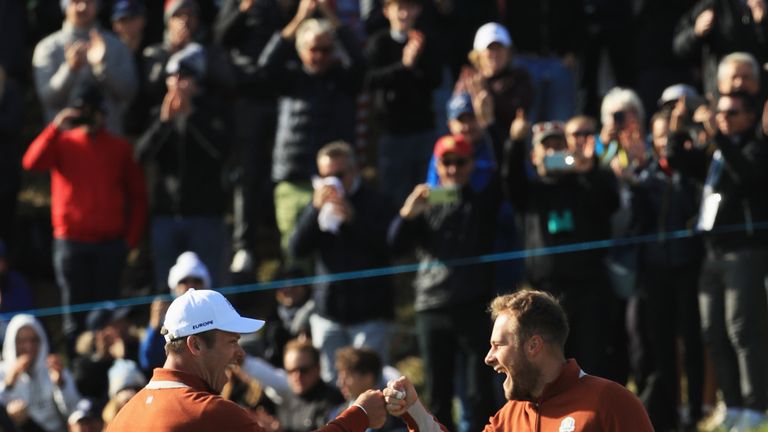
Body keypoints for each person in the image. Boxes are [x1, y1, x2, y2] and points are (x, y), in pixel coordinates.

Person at [106, 289, 387, 431]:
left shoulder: (123, 416)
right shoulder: (207, 412)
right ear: (195, 345)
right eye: (232, 342)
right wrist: (359, 416)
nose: (239, 354)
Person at [383, 290, 654, 432]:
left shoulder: (611, 401)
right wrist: (415, 409)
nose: (489, 358)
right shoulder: (507, 419)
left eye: (498, 345)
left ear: (533, 345)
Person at [22, 83, 148, 351]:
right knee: (74, 314)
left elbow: (138, 196)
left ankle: (105, 367)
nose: (88, 117)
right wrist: (56, 127)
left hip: (109, 245)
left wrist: (130, 240)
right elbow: (31, 163)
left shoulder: (118, 148)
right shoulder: (62, 142)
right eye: (82, 111)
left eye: (92, 111)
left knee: (106, 314)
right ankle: (75, 367)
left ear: (103, 114)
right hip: (71, 243)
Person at [389, 134, 501, 432]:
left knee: (480, 390)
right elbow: (394, 245)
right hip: (431, 305)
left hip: (473, 302)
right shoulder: (425, 204)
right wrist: (407, 214)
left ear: (471, 165)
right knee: (438, 392)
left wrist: (490, 129)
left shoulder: (478, 202)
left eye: (459, 162)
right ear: (437, 165)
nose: (452, 169)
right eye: (446, 162)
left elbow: (500, 183)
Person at [257, 0, 366, 255]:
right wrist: (298, 19)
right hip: (293, 179)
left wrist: (332, 18)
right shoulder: (291, 79)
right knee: (295, 255)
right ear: (301, 49)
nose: (320, 56)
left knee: (336, 253)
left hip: (335, 181)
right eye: (314, 49)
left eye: (327, 50)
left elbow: (361, 63)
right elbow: (265, 66)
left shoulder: (344, 80)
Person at [289, 141, 396, 384]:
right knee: (333, 384)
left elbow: (392, 247)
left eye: (338, 175)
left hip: (371, 314)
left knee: (370, 385)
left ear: (355, 170)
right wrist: (315, 211)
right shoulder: (316, 204)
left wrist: (353, 220)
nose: (332, 182)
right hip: (329, 314)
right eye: (325, 176)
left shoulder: (377, 201)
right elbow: (296, 249)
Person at [692, 91, 768, 431]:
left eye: (732, 112)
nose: (724, 117)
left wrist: (719, 137)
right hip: (712, 252)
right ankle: (733, 404)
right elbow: (683, 164)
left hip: (744, 252)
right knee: (714, 332)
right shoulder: (715, 152)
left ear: (750, 116)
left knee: (743, 330)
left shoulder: (755, 146)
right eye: (719, 112)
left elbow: (749, 175)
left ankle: (756, 406)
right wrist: (681, 129)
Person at [135, 44, 231, 291]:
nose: (178, 84)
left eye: (185, 77)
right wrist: (165, 123)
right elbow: (141, 155)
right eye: (173, 77)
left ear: (197, 83)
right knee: (168, 290)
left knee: (208, 288)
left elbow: (221, 152)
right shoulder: (158, 115)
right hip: (166, 216)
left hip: (205, 216)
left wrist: (191, 118)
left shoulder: (211, 113)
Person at [365, 0, 442, 204]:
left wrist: (416, 62)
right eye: (399, 8)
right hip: (391, 134)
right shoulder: (378, 42)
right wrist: (403, 65)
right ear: (386, 11)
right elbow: (369, 80)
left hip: (423, 130)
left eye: (409, 8)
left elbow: (436, 80)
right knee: (392, 197)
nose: (404, 14)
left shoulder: (428, 41)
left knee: (429, 194)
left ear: (418, 10)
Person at [32, 0, 137, 135]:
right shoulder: (48, 47)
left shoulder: (116, 45)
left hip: (108, 142)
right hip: (64, 143)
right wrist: (71, 68)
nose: (82, 7)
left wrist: (101, 67)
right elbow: (47, 98)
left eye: (88, 2)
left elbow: (129, 92)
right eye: (75, 1)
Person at [0, 314, 82, 432]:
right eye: (22, 341)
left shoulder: (53, 368)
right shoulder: (2, 371)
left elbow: (74, 411)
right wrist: (8, 384)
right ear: (12, 342)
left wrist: (61, 385)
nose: (28, 347)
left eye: (34, 340)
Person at [138, 251, 212, 372]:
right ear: (174, 287)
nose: (190, 285)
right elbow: (147, 361)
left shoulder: (216, 311)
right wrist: (154, 328)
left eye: (197, 280)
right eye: (184, 281)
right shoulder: (166, 317)